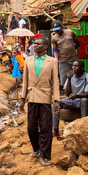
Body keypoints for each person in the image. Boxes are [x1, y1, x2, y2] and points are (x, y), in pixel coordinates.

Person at [20, 37, 60, 166]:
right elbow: (25, 81)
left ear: (45, 47)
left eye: (38, 44)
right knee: (31, 126)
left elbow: (55, 82)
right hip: (31, 97)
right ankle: (36, 149)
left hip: (45, 98)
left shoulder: (52, 61)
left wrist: (57, 100)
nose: (35, 45)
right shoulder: (28, 60)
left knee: (45, 127)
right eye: (34, 44)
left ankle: (43, 154)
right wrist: (22, 98)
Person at [53, 60, 88, 137]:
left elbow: (87, 94)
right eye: (73, 66)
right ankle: (55, 129)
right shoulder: (71, 76)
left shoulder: (87, 77)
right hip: (70, 100)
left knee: (84, 100)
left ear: (82, 68)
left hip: (80, 100)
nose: (73, 67)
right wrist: (69, 79)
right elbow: (67, 94)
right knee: (56, 103)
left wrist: (76, 96)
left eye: (76, 66)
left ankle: (83, 126)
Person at [51, 20, 80, 87]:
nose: (57, 32)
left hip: (74, 60)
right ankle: (67, 94)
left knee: (77, 79)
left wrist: (72, 49)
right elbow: (55, 50)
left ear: (62, 27)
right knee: (64, 82)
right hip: (63, 61)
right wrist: (56, 58)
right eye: (55, 30)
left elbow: (77, 43)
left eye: (58, 30)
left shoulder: (70, 33)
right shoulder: (54, 38)